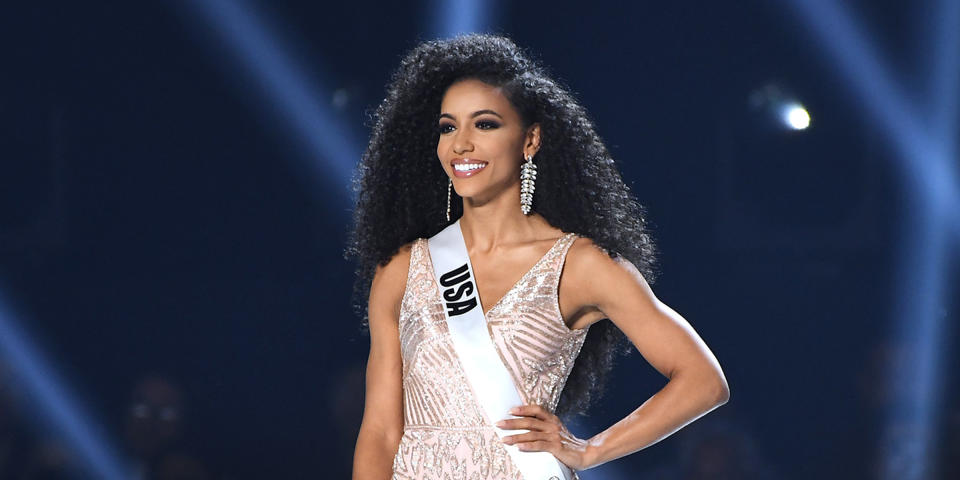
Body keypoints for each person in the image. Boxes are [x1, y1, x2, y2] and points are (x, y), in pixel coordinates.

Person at [347, 33, 729, 480]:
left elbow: (703, 381)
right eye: (448, 127)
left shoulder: (579, 265)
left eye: (485, 124)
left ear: (530, 140)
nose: (461, 144)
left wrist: (590, 450)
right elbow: (379, 432)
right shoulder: (401, 269)